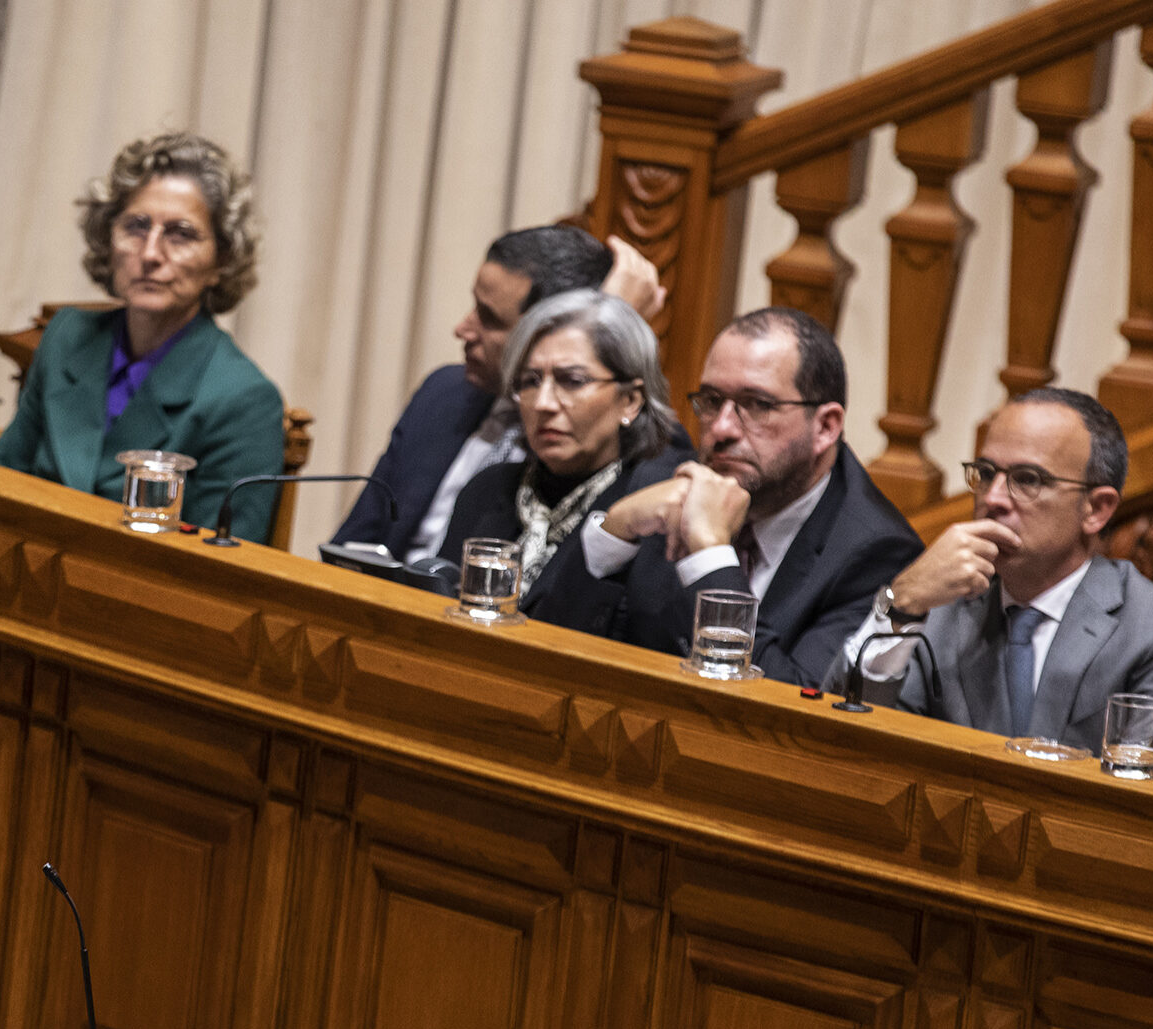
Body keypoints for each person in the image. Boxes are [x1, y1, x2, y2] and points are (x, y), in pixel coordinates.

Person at [829, 387, 1153, 781]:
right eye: (985, 474)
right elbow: (844, 747)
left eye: (1028, 479)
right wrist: (903, 601)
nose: (994, 497)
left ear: (1096, 509)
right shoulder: (935, 604)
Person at [574, 307, 920, 686]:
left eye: (758, 405)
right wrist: (615, 530)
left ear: (825, 426)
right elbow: (561, 647)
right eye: (711, 400)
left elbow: (791, 702)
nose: (721, 428)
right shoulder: (664, 483)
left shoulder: (876, 553)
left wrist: (711, 554)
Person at [0, 131, 284, 542]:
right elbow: (2, 481)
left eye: (180, 233)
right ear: (108, 239)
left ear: (222, 260)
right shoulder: (67, 337)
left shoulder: (245, 400)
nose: (150, 254)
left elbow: (222, 568)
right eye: (137, 226)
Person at [331, 226, 664, 561]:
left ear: (542, 330)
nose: (462, 329)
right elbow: (352, 544)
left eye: (489, 318)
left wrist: (604, 326)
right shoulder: (442, 393)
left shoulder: (607, 441)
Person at [436, 289, 686, 615]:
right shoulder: (488, 489)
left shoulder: (655, 506)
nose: (543, 403)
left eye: (572, 381)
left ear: (630, 401)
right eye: (530, 381)